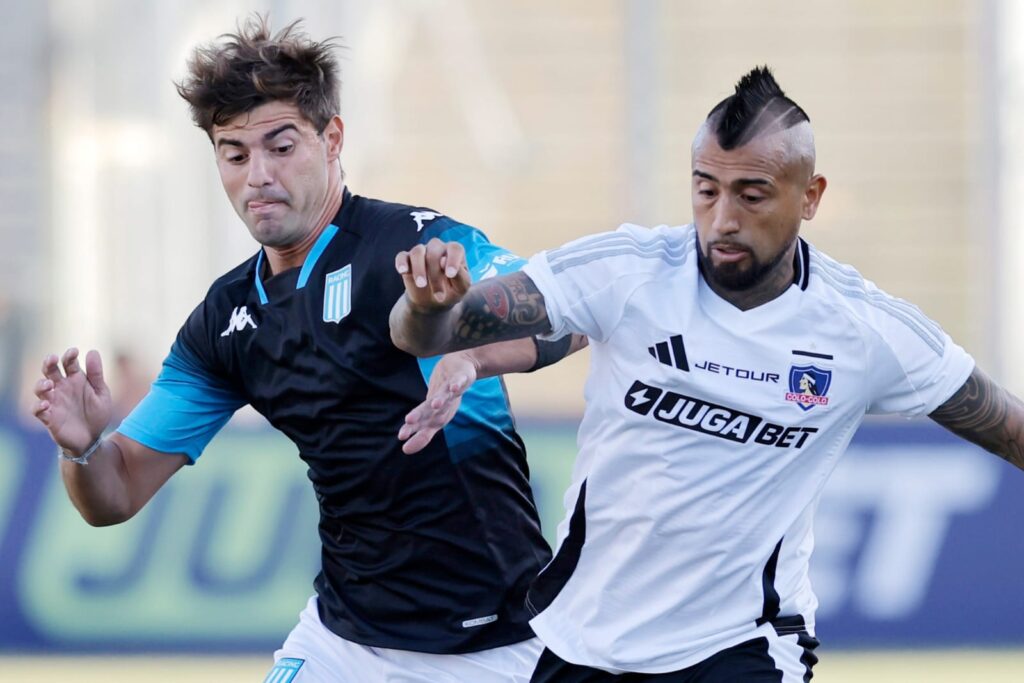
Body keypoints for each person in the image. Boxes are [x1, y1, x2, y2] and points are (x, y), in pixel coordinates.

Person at [389, 66, 1024, 682]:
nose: (722, 218)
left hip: (743, 644)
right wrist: (427, 308)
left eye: (752, 195)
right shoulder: (627, 272)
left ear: (811, 196)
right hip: (584, 640)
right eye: (705, 190)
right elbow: (431, 333)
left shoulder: (863, 330)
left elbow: (1006, 424)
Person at [31, 16, 586, 683]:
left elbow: (565, 311)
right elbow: (114, 492)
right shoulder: (226, 318)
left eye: (281, 146)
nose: (258, 174)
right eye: (234, 154)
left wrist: (467, 339)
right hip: (339, 640)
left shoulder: (410, 248)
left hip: (494, 646)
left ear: (333, 139)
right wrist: (81, 447)